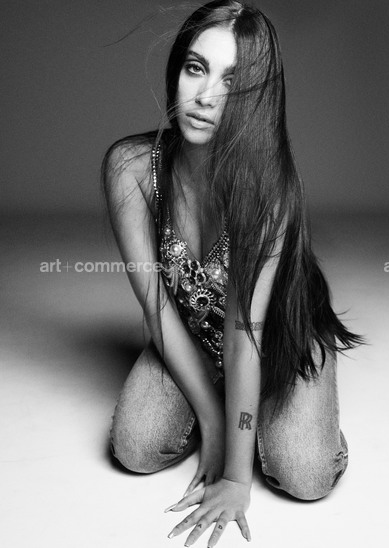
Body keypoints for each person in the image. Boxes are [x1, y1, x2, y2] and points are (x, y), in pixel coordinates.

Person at [102, 1, 363, 546]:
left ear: (257, 98)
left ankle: (307, 376)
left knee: (305, 476)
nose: (205, 96)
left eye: (233, 83)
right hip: (194, 334)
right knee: (135, 449)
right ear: (176, 68)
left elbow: (247, 336)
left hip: (274, 335)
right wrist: (214, 423)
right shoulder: (131, 168)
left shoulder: (269, 192)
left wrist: (236, 476)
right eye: (196, 68)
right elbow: (156, 305)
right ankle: (223, 397)